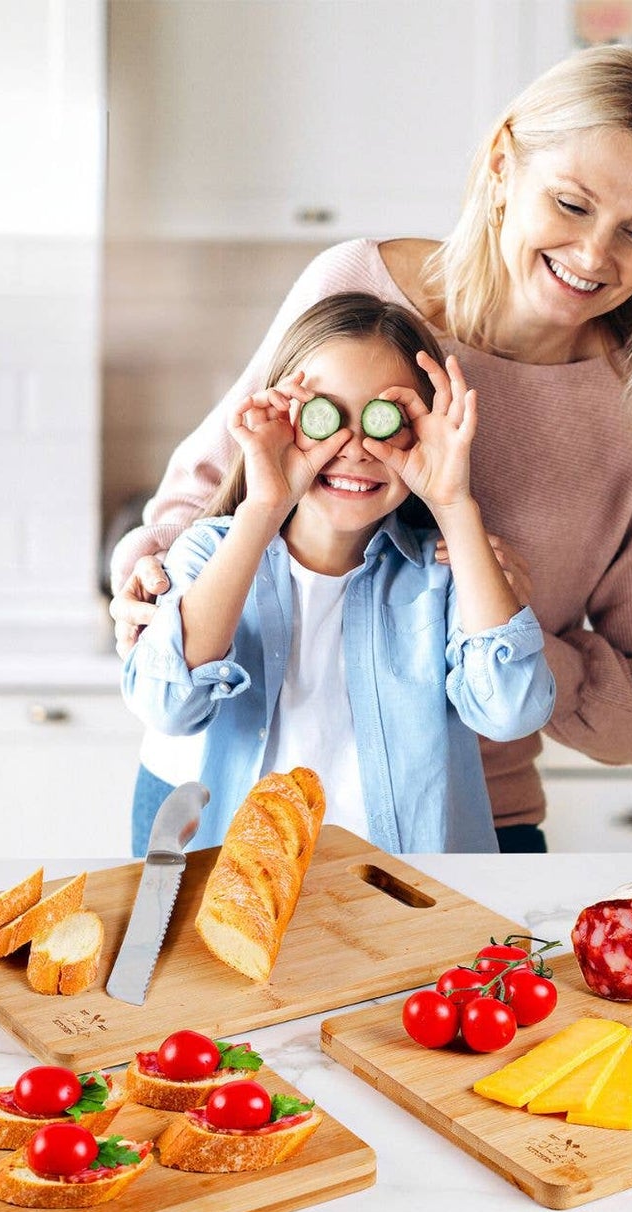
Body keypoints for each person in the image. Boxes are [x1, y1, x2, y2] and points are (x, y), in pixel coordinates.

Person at [111, 44, 632, 855]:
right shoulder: (356, 287)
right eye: (571, 205)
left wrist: (489, 617)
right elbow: (209, 489)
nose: (591, 256)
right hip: (224, 783)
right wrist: (149, 576)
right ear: (504, 166)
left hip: (457, 821)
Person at [121, 293, 555, 854]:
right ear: (282, 419)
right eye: (325, 417)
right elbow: (168, 705)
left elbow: (511, 712)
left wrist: (454, 503)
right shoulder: (208, 554)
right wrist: (264, 505)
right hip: (248, 893)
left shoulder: (444, 577)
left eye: (386, 419)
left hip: (405, 901)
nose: (353, 448)